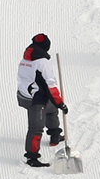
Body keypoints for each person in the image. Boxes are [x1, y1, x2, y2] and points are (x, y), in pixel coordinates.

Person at [16, 33, 67, 168]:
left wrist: (55, 104)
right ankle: (31, 157)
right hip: (35, 100)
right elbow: (50, 85)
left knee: (51, 110)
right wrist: (60, 103)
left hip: (25, 94)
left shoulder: (25, 59)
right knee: (36, 128)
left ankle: (55, 135)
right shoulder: (42, 62)